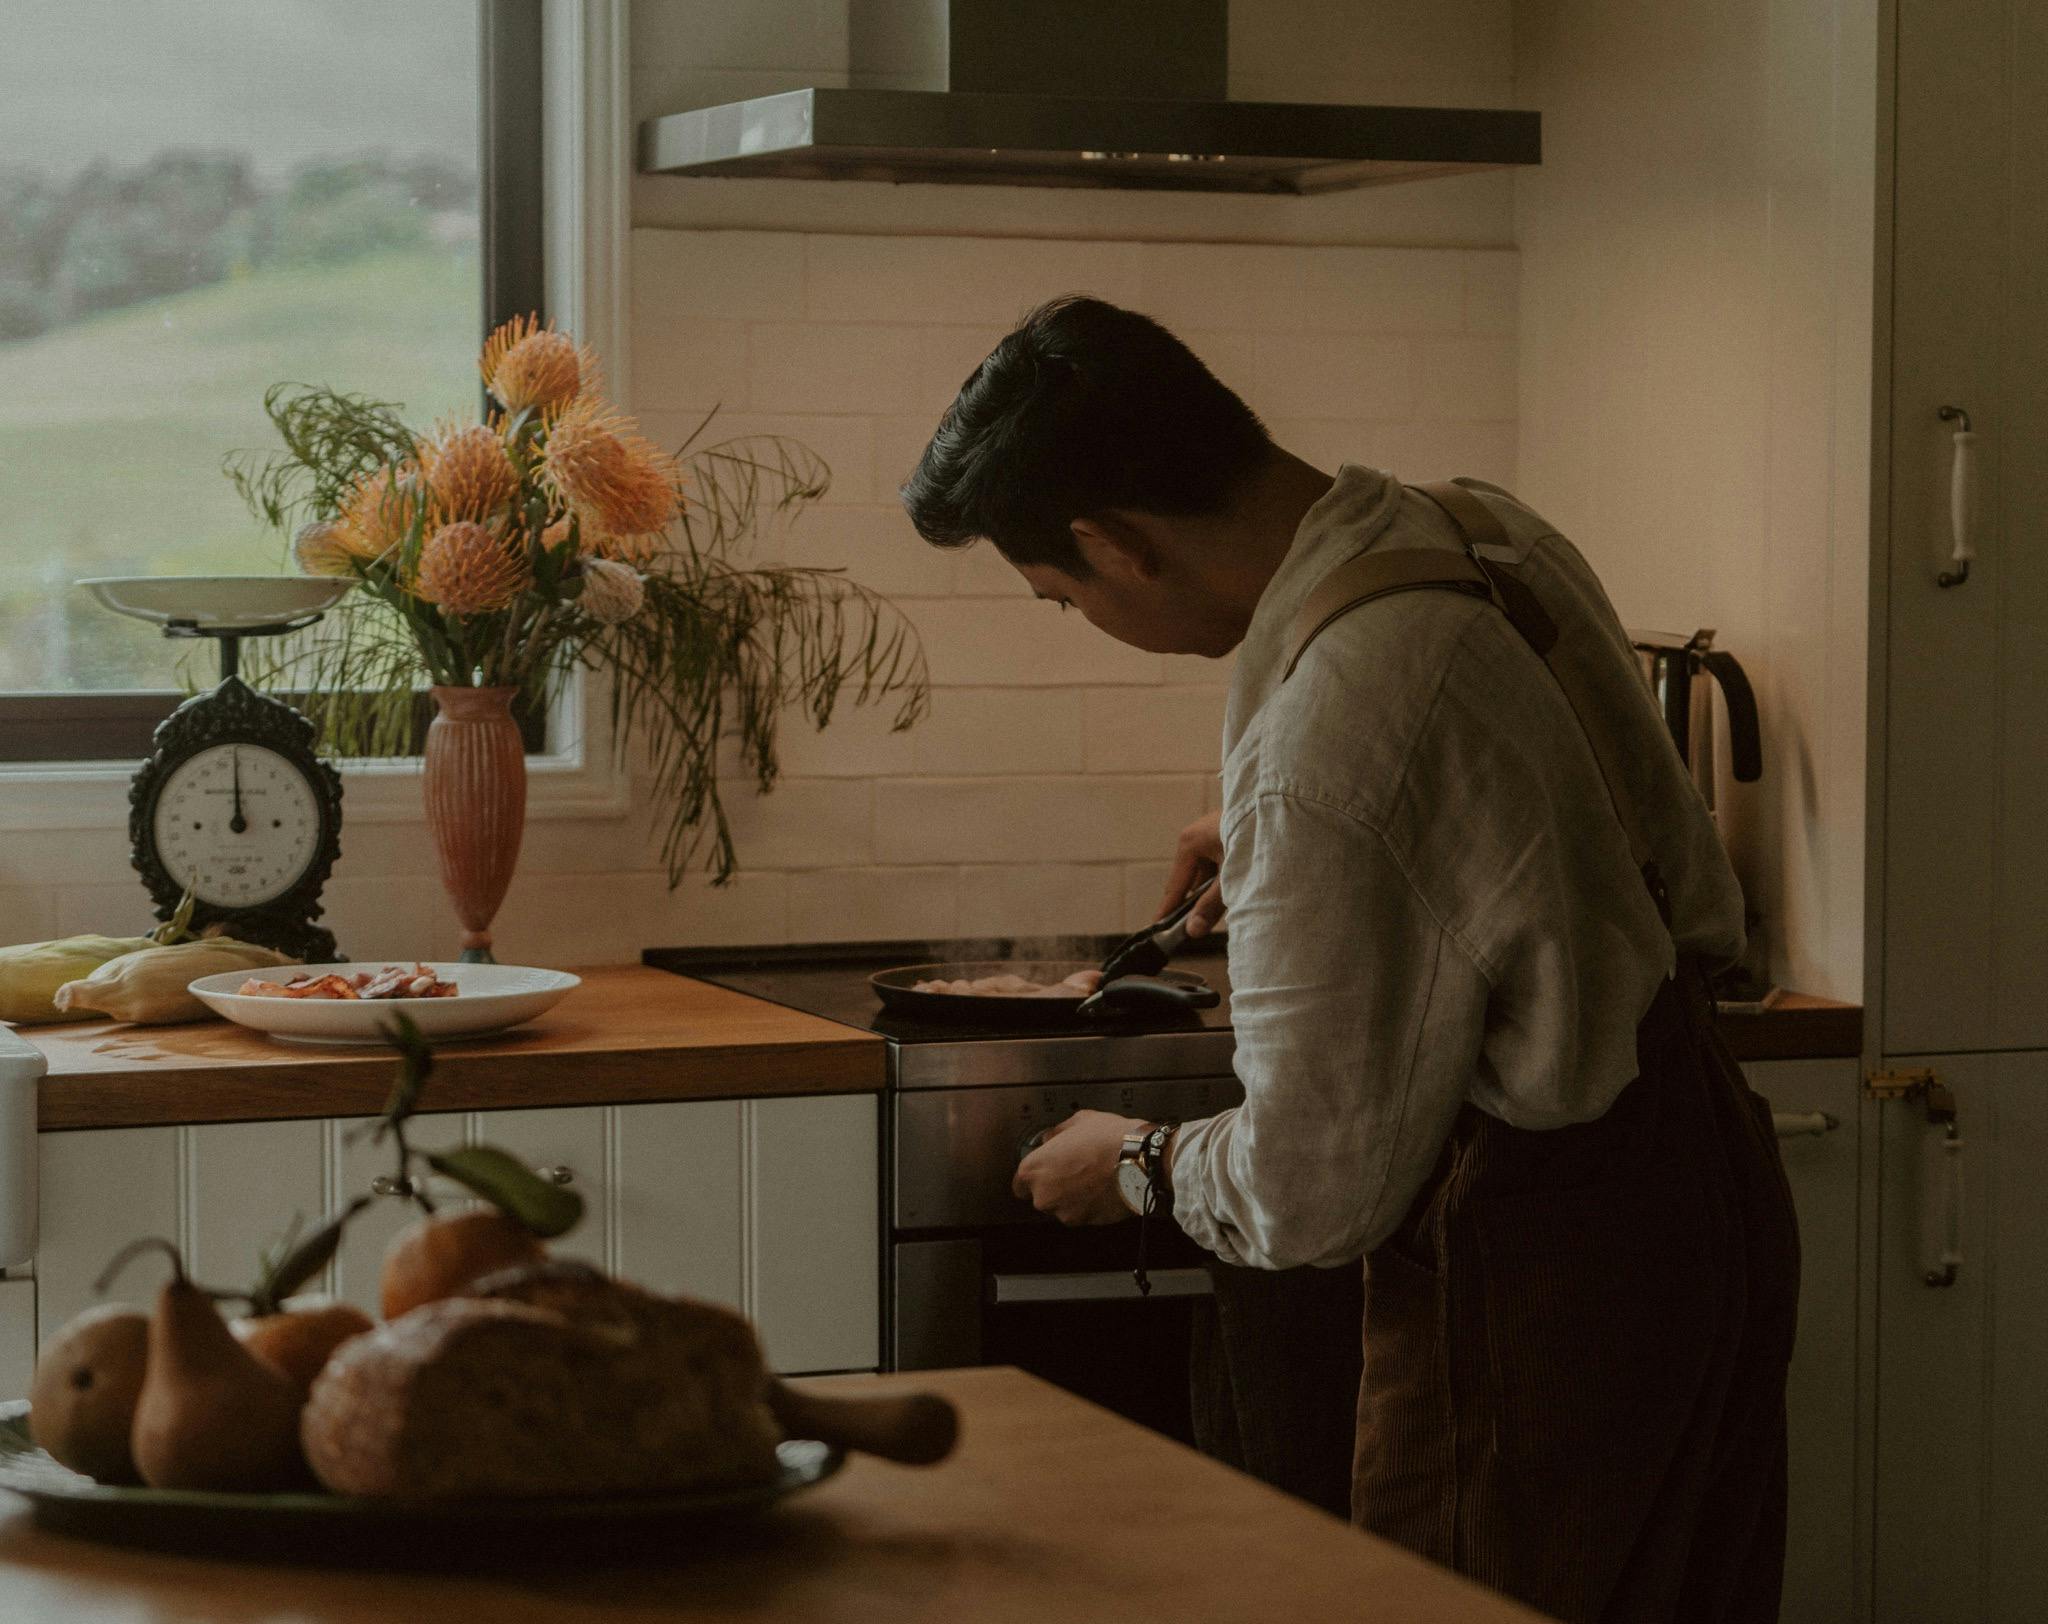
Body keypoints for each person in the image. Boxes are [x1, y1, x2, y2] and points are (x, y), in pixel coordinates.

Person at [899, 296, 1801, 1624]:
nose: (1073, 615)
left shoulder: (1325, 735)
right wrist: (1321, 852)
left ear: (1116, 544)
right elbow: (1599, 827)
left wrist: (1135, 1163)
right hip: (1708, 1180)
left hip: (1538, 1272)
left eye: (1059, 596)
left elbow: (1315, 1190)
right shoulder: (1481, 526)